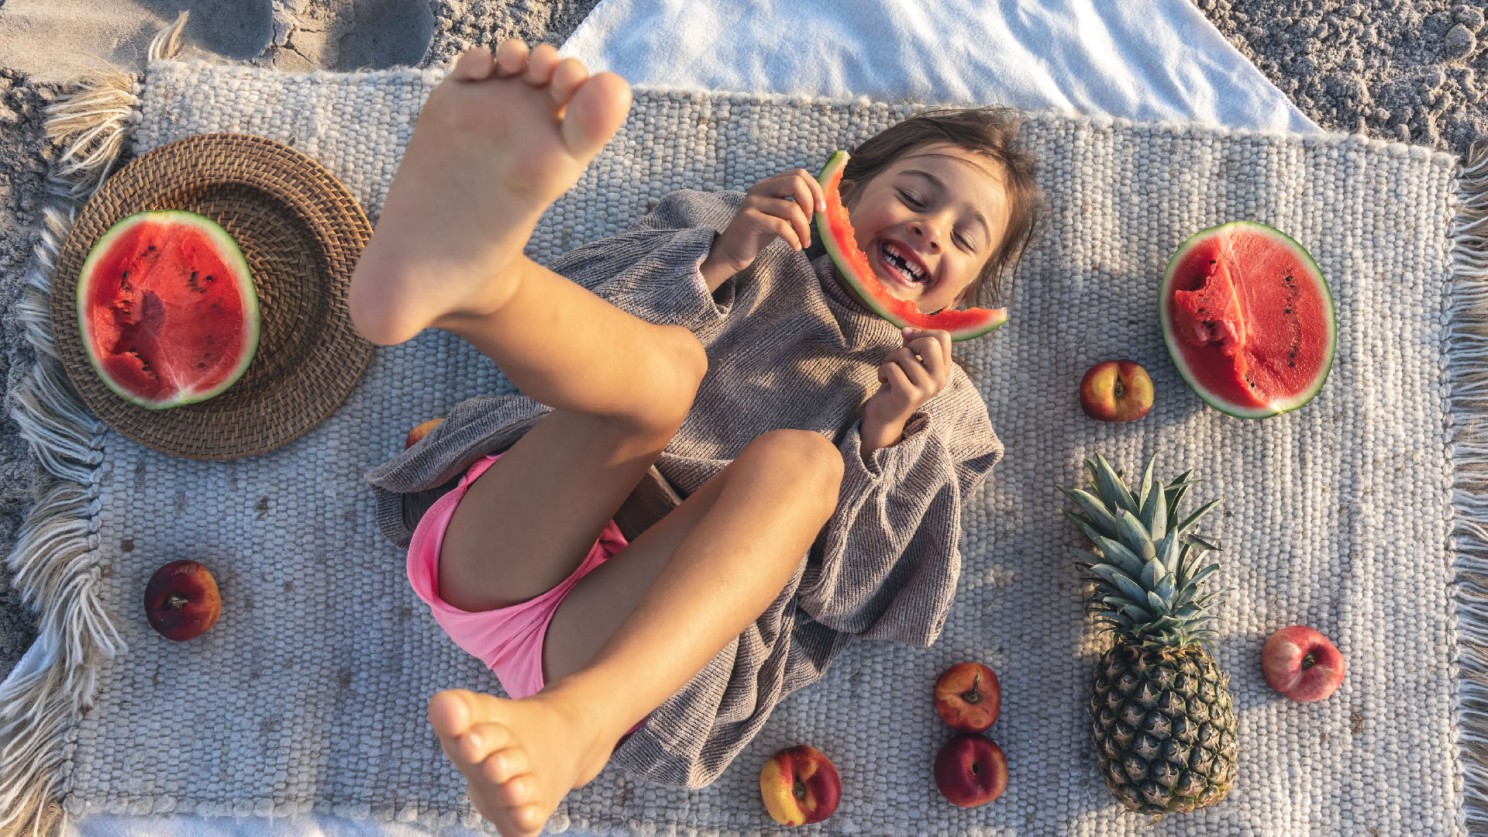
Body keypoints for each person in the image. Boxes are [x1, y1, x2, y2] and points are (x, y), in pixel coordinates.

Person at [350, 39, 1041, 837]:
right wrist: (718, 262)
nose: (931, 231)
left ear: (974, 290)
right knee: (665, 366)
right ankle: (472, 283)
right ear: (843, 190)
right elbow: (568, 336)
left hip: (643, 661)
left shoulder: (944, 416)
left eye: (965, 238)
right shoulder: (735, 230)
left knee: (802, 461)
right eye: (917, 197)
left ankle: (573, 727)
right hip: (513, 541)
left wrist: (885, 441)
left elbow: (853, 603)